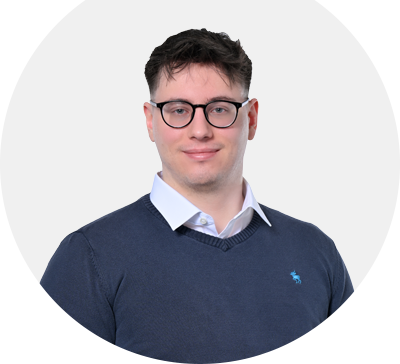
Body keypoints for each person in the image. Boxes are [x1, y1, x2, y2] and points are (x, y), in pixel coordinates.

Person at [29, 29, 370, 363]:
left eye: (219, 109)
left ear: (251, 118)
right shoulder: (89, 259)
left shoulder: (315, 253)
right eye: (178, 110)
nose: (200, 130)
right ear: (150, 121)